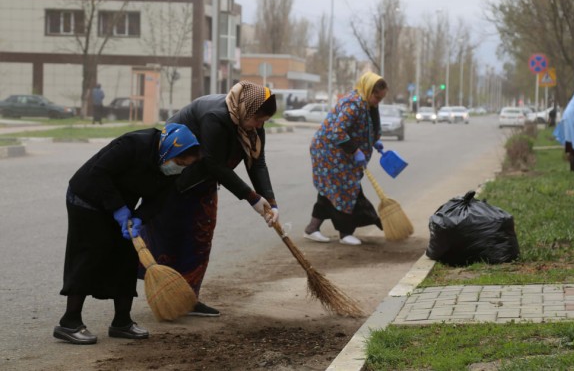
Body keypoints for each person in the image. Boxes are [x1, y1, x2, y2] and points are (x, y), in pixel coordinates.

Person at [140, 81, 278, 317]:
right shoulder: (215, 117)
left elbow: (257, 163)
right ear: (247, 110)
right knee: (169, 232)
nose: (259, 125)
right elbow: (213, 163)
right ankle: (162, 288)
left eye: (264, 121)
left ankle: (189, 298)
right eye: (258, 119)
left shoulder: (252, 122)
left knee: (201, 234)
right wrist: (251, 198)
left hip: (205, 177)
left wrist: (271, 202)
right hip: (175, 174)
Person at [55, 124, 201, 345]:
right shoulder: (134, 145)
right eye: (179, 163)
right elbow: (99, 172)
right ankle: (69, 322)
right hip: (87, 198)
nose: (178, 169)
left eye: (184, 166)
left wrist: (140, 217)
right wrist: (118, 208)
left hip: (122, 205)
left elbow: (158, 199)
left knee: (127, 257)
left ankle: (122, 322)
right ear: (169, 150)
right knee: (90, 254)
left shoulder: (168, 165)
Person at [304, 72, 387, 246]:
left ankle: (312, 229)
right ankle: (345, 233)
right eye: (376, 97)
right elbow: (337, 131)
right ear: (368, 89)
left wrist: (374, 141)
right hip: (329, 153)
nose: (377, 101)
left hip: (342, 154)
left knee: (331, 190)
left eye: (380, 99)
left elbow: (367, 126)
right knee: (345, 190)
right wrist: (355, 151)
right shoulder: (354, 104)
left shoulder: (368, 104)